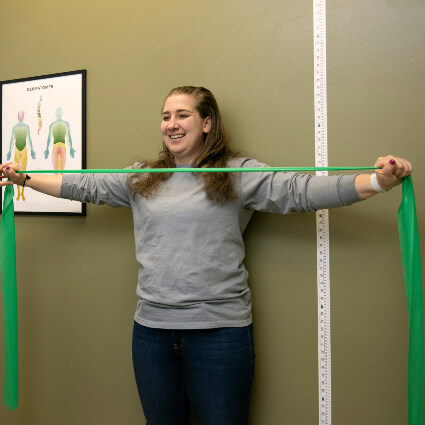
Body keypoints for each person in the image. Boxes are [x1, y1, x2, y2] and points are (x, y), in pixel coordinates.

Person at [0, 86, 413, 425]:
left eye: (182, 115)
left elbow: (300, 191)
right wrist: (25, 179)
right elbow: (83, 187)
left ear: (207, 123)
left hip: (220, 333)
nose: (172, 124)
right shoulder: (144, 176)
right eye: (165, 116)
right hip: (151, 333)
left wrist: (377, 182)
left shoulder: (236, 173)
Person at [6, 110, 36, 201]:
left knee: (23, 171)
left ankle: (22, 193)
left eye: (21, 115)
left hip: (24, 149)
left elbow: (29, 139)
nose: (20, 116)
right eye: (19, 115)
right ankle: (18, 193)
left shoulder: (26, 127)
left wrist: (32, 151)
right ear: (17, 117)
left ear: (23, 117)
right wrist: (9, 151)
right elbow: (12, 139)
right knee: (16, 171)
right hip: (16, 149)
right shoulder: (14, 127)